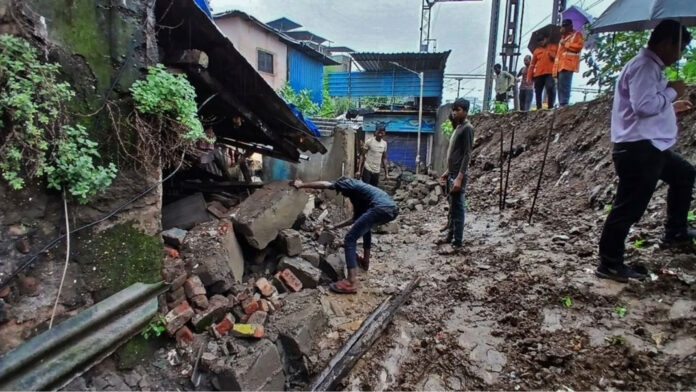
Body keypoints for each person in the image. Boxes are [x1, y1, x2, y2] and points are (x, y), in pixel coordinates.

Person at [597, 20, 694, 283]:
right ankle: (610, 262)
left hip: (650, 146)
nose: (679, 55)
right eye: (680, 48)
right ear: (666, 43)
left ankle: (676, 231)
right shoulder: (644, 67)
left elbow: (642, 107)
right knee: (628, 208)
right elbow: (642, 106)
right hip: (639, 148)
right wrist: (672, 92)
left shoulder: (650, 67)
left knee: (684, 174)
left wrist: (671, 106)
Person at [290, 177, 398, 293]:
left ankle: (351, 282)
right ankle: (365, 262)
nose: (342, 194)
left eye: (341, 191)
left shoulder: (348, 183)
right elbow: (354, 219)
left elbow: (326, 183)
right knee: (366, 229)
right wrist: (334, 227)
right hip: (392, 209)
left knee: (350, 239)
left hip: (381, 208)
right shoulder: (360, 195)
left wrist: (301, 185)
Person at [436, 98, 474, 249]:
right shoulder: (458, 128)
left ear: (465, 111)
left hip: (458, 176)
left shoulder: (467, 128)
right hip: (452, 173)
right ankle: (450, 236)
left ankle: (457, 242)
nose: (454, 112)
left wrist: (459, 177)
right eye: (454, 109)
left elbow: (467, 154)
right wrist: (448, 171)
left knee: (458, 209)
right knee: (452, 207)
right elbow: (455, 153)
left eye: (457, 110)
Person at [554, 19, 584, 107]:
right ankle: (561, 103)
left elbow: (579, 47)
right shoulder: (562, 38)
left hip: (569, 64)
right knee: (560, 85)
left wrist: (566, 44)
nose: (564, 28)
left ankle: (564, 103)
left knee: (565, 84)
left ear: (570, 26)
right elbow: (559, 54)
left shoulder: (577, 35)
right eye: (563, 26)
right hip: (560, 65)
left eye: (565, 26)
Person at [527, 34, 557, 109]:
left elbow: (558, 58)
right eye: (539, 41)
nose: (541, 42)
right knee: (538, 91)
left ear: (546, 39)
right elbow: (532, 64)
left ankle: (551, 106)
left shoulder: (554, 47)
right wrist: (529, 76)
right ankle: (539, 107)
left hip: (550, 72)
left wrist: (552, 55)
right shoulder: (537, 51)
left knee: (550, 87)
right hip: (539, 74)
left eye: (542, 40)